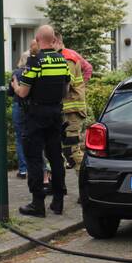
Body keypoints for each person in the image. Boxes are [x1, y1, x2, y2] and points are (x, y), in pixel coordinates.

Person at [11, 25, 70, 217]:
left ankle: (37, 204)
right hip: (55, 115)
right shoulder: (62, 61)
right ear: (53, 40)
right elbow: (66, 90)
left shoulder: (36, 62)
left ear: (37, 39)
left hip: (36, 116)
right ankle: (58, 202)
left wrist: (15, 85)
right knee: (55, 157)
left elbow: (23, 92)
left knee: (34, 158)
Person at [54, 33, 88, 171]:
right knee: (65, 151)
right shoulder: (60, 57)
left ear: (55, 42)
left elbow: (67, 83)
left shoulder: (67, 58)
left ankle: (85, 187)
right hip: (65, 111)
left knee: (73, 150)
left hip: (72, 112)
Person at [8, 53, 30, 180]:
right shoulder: (36, 71)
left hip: (18, 105)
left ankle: (22, 170)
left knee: (20, 137)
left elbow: (10, 92)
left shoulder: (16, 73)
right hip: (33, 107)